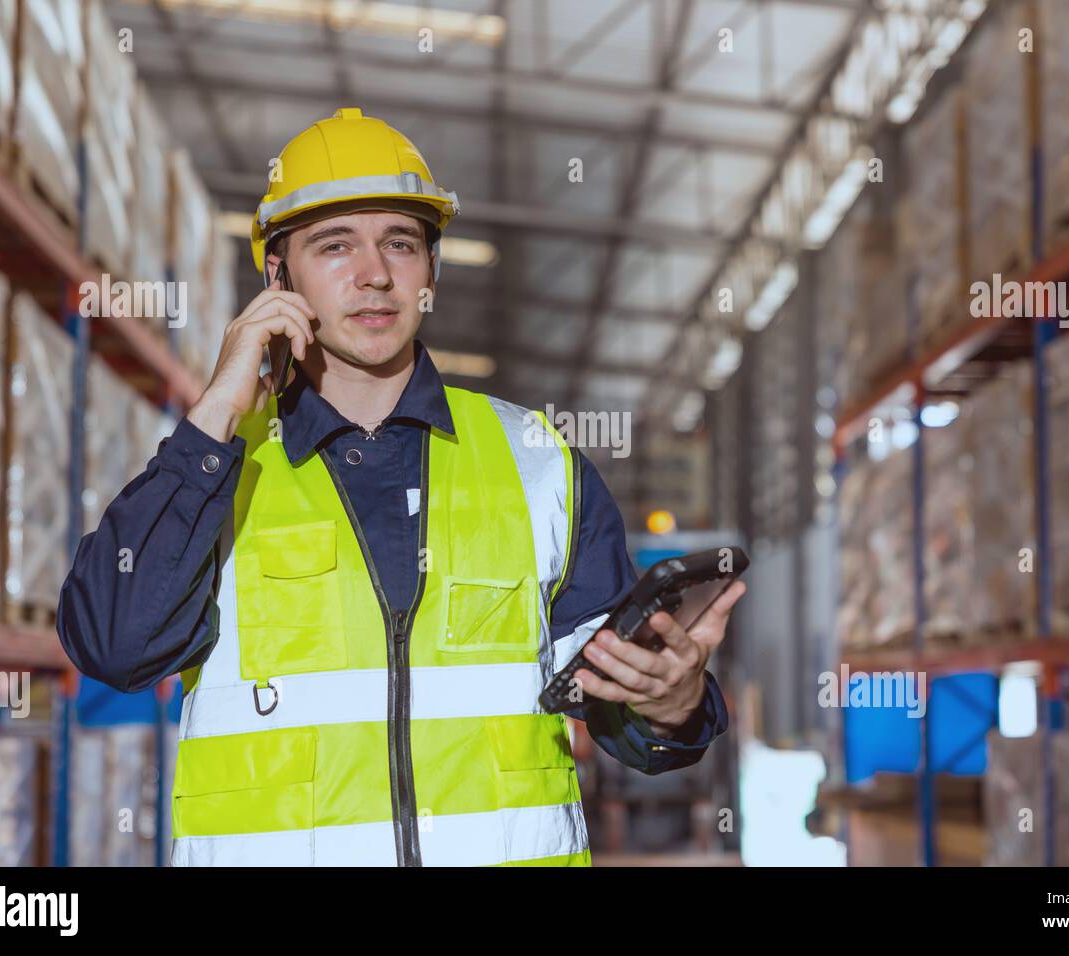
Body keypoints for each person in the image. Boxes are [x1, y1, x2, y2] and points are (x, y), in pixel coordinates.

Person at [57, 108, 745, 867]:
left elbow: (617, 711)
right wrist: (216, 409)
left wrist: (673, 704)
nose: (375, 274)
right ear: (278, 276)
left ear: (431, 272)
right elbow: (112, 645)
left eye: (401, 243)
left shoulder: (537, 461)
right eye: (334, 245)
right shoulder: (218, 469)